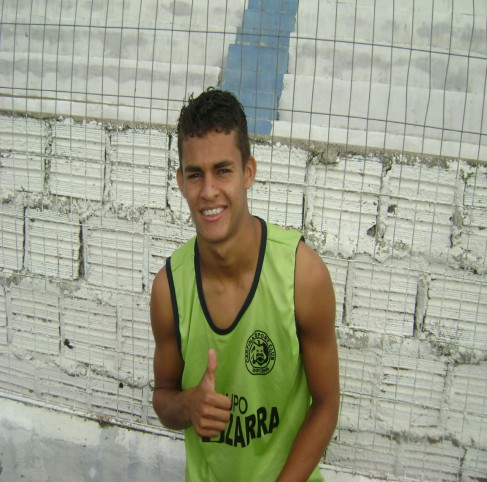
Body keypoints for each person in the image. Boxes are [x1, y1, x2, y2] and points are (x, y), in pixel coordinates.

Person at [150, 88, 339, 482]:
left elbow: (326, 403)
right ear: (180, 182)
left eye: (223, 170)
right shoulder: (170, 289)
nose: (208, 191)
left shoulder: (302, 275)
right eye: (195, 174)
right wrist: (189, 405)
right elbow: (164, 398)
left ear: (248, 172)